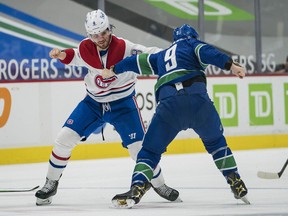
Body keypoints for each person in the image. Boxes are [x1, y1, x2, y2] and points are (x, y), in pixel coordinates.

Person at [35, 9, 180, 205]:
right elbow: (75, 55)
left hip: (123, 105)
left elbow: (150, 53)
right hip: (92, 104)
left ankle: (159, 184)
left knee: (140, 150)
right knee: (64, 138)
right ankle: (51, 183)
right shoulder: (86, 48)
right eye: (95, 35)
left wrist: (174, 54)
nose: (100, 38)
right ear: (89, 35)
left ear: (109, 29)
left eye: (103, 33)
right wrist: (60, 54)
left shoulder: (124, 47)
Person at [101, 24, 250, 208]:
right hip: (198, 103)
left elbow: (136, 62)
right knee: (216, 143)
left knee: (149, 151)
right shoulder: (191, 44)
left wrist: (114, 69)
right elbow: (208, 52)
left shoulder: (161, 55)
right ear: (192, 36)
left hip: (169, 106)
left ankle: (137, 187)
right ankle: (235, 180)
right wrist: (231, 65)